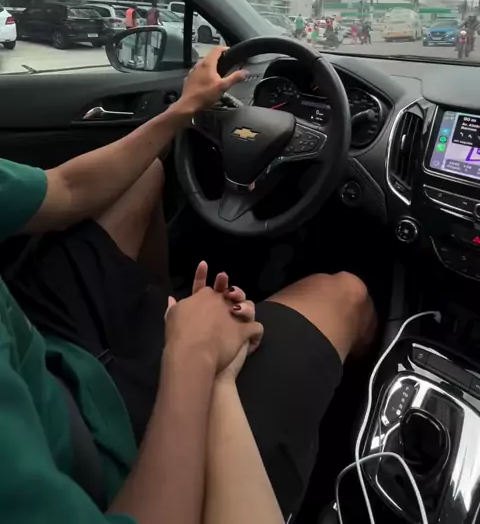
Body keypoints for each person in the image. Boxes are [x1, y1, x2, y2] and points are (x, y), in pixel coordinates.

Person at [0, 46, 375, 524]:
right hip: (101, 465)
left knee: (142, 173)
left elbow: (66, 189)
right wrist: (194, 351)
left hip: (41, 351)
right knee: (347, 294)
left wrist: (184, 109)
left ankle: (159, 308)